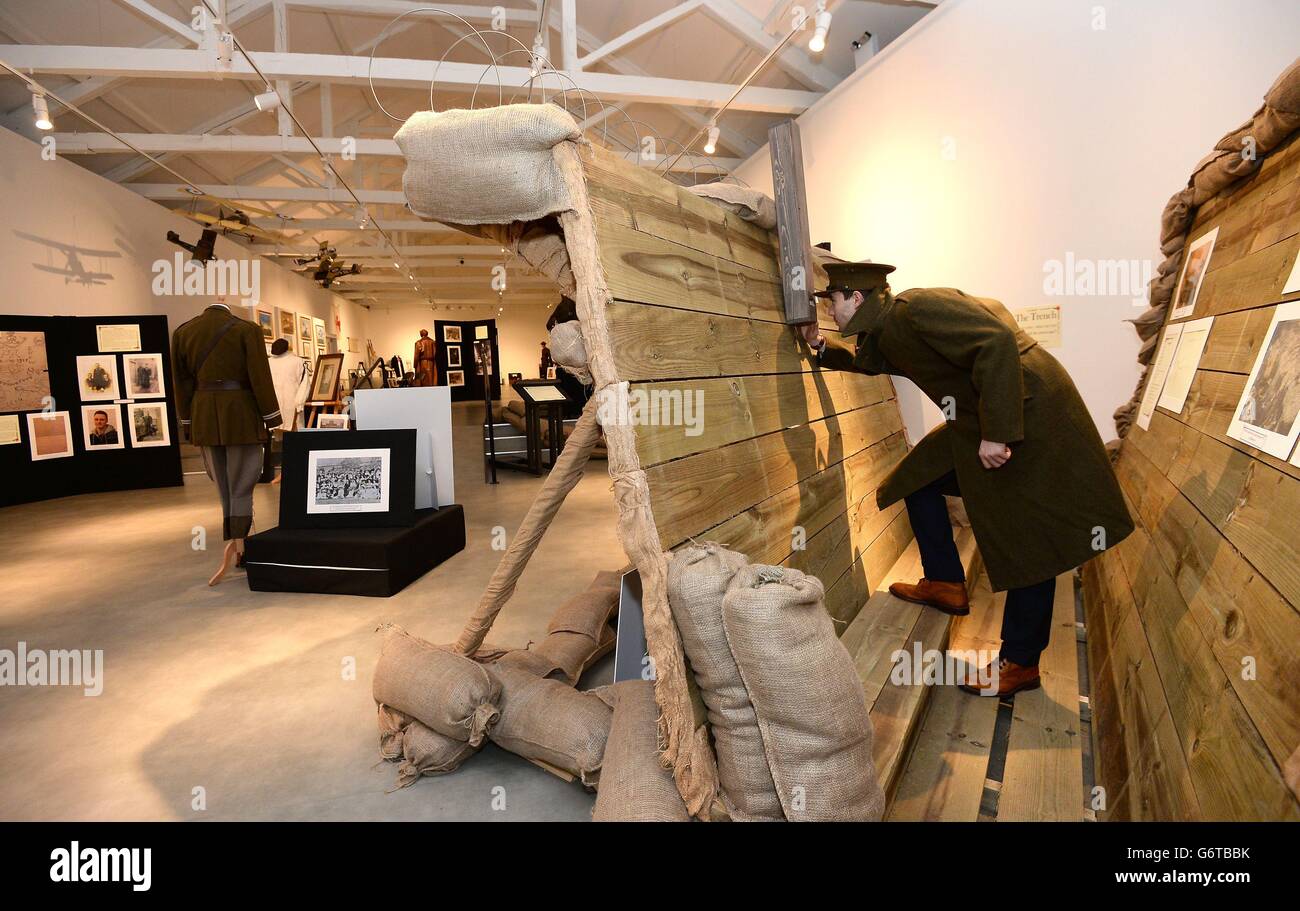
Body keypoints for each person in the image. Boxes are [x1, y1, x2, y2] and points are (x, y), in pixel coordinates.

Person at [802, 261, 1133, 697]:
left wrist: (998, 432)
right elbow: (871, 363)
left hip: (1024, 408)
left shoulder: (914, 309)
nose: (832, 309)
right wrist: (819, 346)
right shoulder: (886, 328)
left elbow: (995, 342)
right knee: (916, 479)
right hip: (977, 415)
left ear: (856, 299)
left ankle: (1021, 662)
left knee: (1026, 535)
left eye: (834, 301)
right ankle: (945, 582)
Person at [172, 297, 282, 586]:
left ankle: (239, 545)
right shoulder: (247, 330)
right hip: (241, 414)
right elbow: (260, 377)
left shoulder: (183, 332)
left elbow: (181, 383)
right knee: (242, 486)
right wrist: (272, 418)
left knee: (224, 487)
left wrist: (187, 422)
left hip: (204, 414)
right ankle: (243, 549)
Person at [265, 337, 312, 483]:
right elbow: (305, 384)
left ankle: (294, 470)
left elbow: (304, 384)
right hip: (279, 407)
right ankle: (287, 471)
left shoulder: (297, 362)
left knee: (293, 439)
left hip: (288, 407)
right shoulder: (269, 362)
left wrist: (298, 404)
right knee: (284, 441)